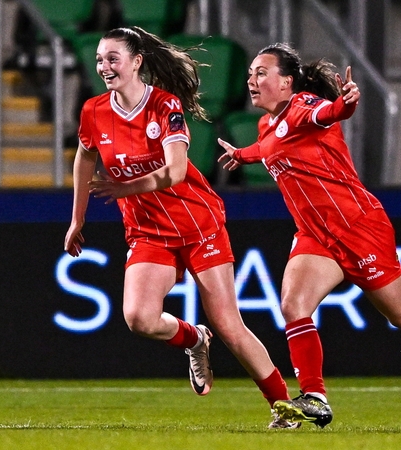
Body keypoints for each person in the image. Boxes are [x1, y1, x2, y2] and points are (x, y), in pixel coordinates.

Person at [216, 42, 401, 428]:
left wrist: (347, 102)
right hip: (316, 236)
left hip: (360, 229)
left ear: (287, 83)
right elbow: (269, 145)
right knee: (294, 306)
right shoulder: (269, 124)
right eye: (250, 74)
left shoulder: (304, 106)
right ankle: (315, 397)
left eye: (262, 73)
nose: (252, 80)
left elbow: (331, 113)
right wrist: (244, 154)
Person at [63, 27, 299, 429]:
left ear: (137, 62)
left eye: (113, 58)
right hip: (148, 231)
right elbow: (85, 157)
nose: (104, 66)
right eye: (100, 59)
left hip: (198, 225)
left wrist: (125, 186)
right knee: (139, 317)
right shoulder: (93, 111)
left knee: (230, 325)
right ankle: (193, 338)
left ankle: (283, 407)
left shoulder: (165, 106)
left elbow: (174, 172)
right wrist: (77, 219)